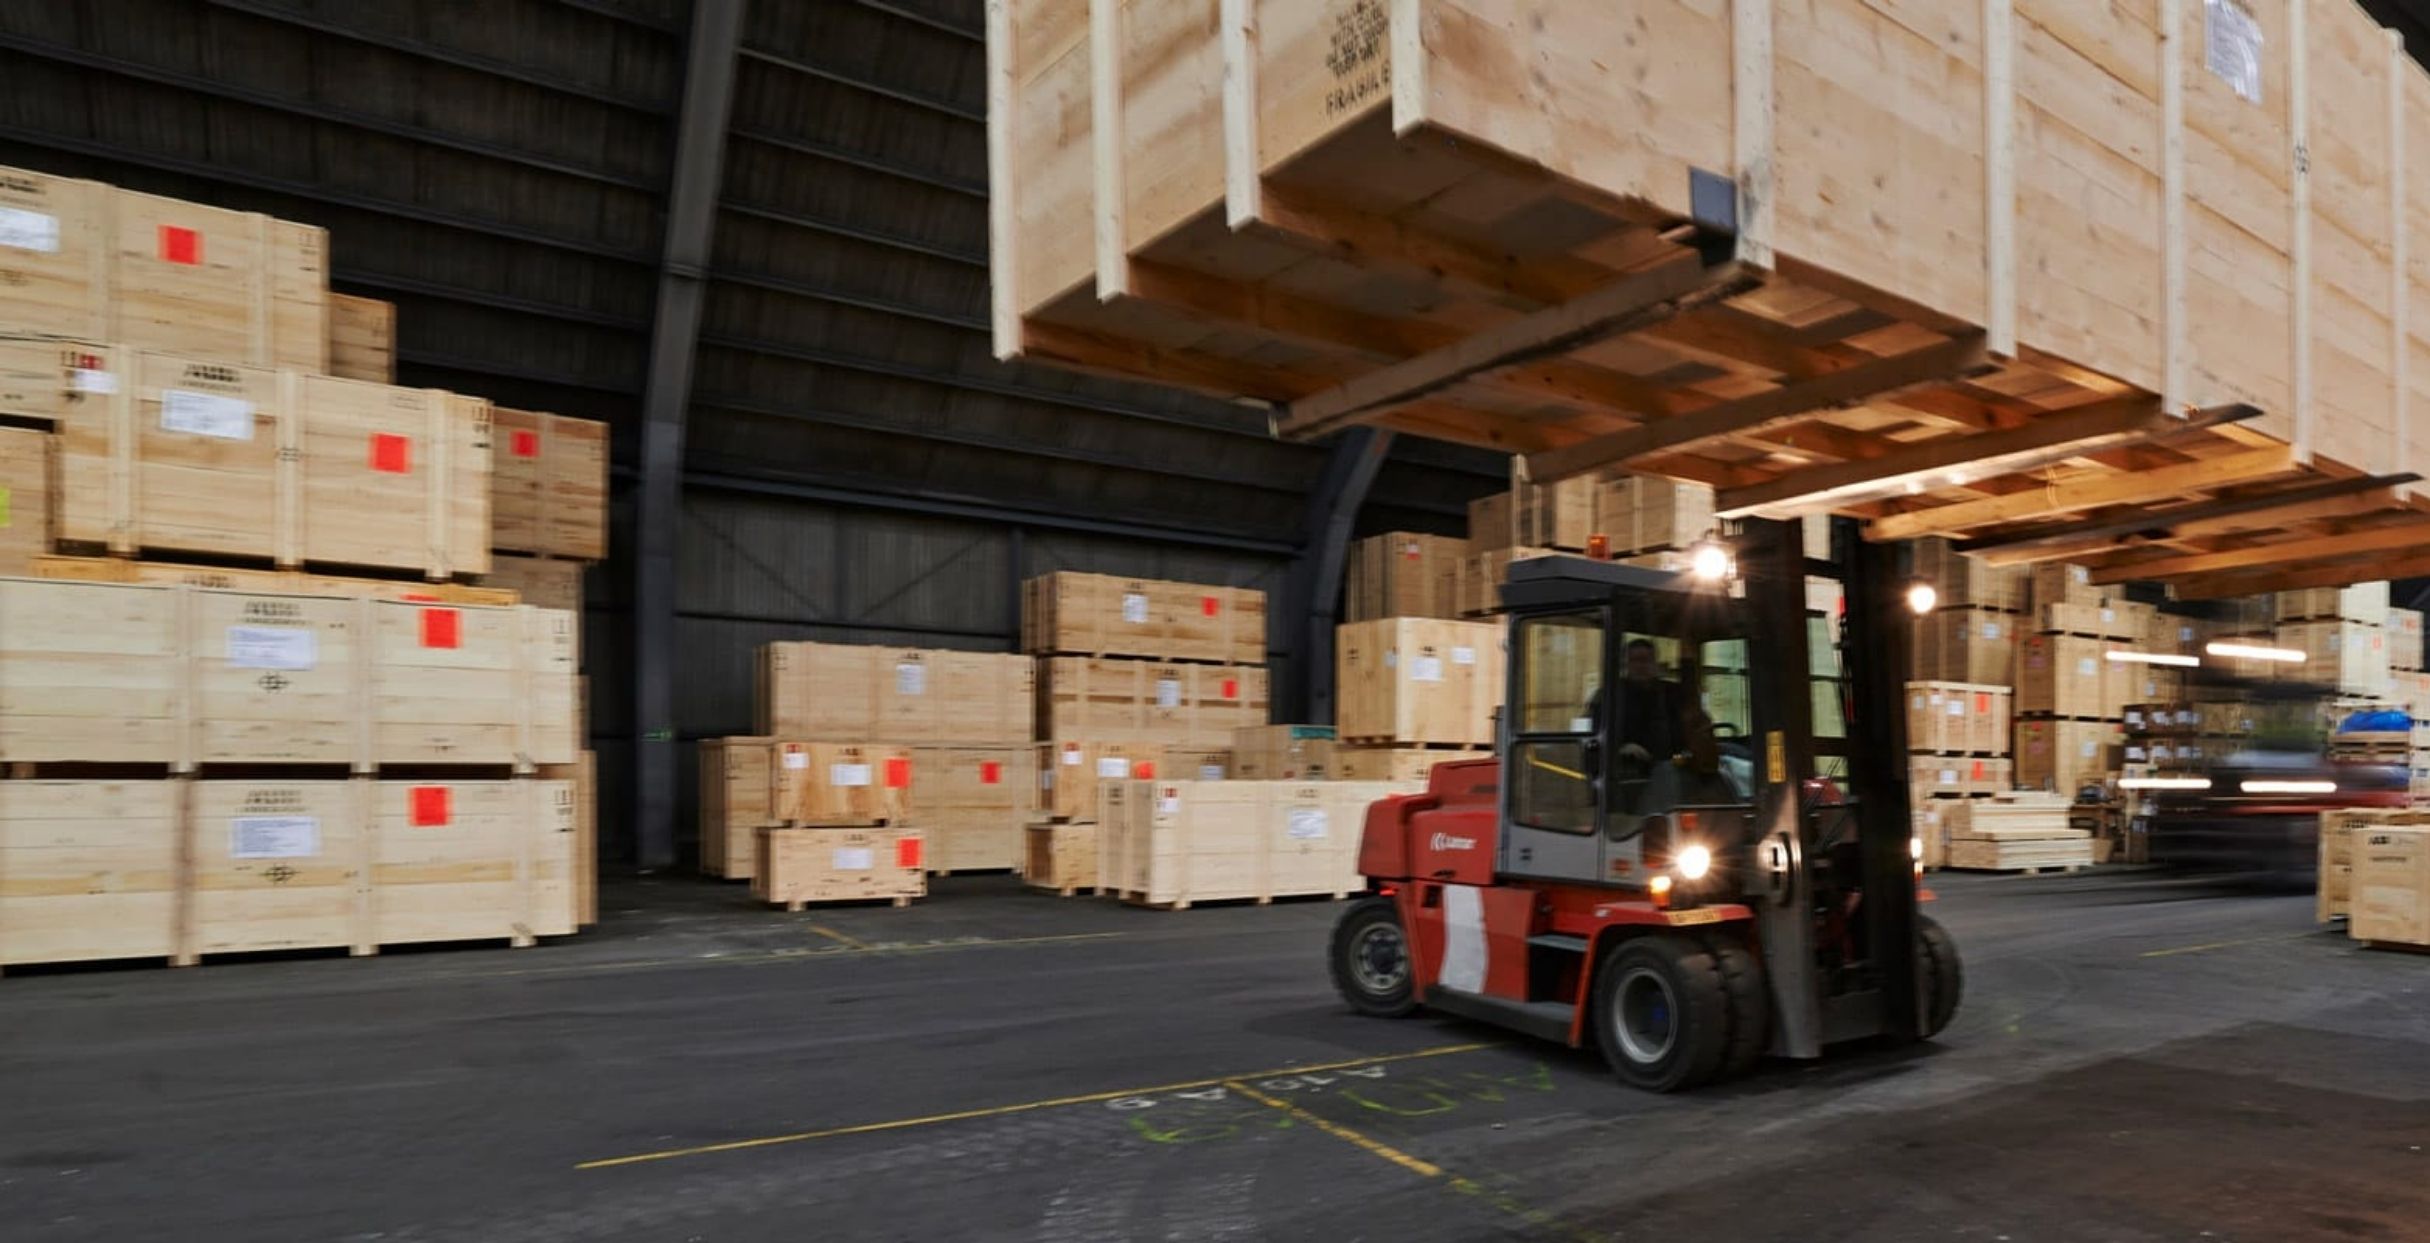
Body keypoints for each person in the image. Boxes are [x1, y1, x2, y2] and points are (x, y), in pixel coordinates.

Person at [1613, 638, 1684, 767]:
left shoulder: (1673, 692)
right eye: (1634, 660)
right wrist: (1621, 747)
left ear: (1655, 663)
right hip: (1625, 767)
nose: (1640, 666)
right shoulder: (1612, 694)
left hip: (1670, 765)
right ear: (1625, 664)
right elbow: (1599, 733)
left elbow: (1686, 728)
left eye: (1646, 660)